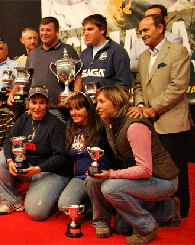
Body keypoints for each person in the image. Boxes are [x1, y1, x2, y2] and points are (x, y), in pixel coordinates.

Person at [86, 85, 180, 244]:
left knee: (110, 188)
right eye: (97, 102)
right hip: (142, 180)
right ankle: (102, 222)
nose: (97, 106)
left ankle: (149, 226)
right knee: (93, 181)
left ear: (115, 102)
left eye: (102, 101)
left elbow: (145, 169)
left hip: (162, 180)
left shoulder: (135, 126)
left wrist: (111, 174)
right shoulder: (112, 123)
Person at [129, 14, 191, 218]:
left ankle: (179, 211)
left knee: (175, 169)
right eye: (140, 31)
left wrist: (154, 108)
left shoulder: (178, 51)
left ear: (160, 28)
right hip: (148, 121)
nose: (142, 34)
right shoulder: (144, 56)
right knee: (155, 169)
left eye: (146, 30)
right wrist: (139, 106)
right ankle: (161, 208)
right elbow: (138, 85)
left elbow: (178, 87)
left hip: (171, 121)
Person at [0, 86, 73, 220]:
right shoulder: (25, 117)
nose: (37, 107)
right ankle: (12, 202)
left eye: (42, 103)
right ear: (28, 103)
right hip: (30, 168)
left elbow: (62, 157)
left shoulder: (56, 124)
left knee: (36, 213)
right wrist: (10, 161)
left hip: (52, 173)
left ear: (47, 104)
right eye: (34, 102)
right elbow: (9, 141)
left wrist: (37, 169)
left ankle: (52, 193)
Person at [10, 17, 82, 122]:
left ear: (57, 31)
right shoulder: (33, 53)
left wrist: (76, 96)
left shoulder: (68, 50)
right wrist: (14, 92)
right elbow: (25, 78)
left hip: (59, 109)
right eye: (42, 30)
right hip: (36, 109)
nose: (44, 33)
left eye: (48, 30)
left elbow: (78, 76)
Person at [57, 92, 116, 210]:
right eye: (71, 109)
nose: (74, 113)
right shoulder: (68, 127)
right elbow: (51, 124)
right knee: (64, 206)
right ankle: (99, 206)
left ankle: (103, 204)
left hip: (101, 176)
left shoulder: (101, 126)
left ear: (89, 110)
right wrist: (31, 114)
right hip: (80, 178)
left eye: (78, 108)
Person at [80, 14, 131, 89]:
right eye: (84, 30)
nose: (86, 34)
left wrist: (108, 99)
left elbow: (124, 84)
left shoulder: (117, 51)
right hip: (87, 100)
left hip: (108, 100)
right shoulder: (84, 53)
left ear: (102, 30)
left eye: (90, 29)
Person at [129, 4, 183, 73]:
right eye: (147, 17)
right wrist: (155, 60)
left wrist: (142, 62)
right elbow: (129, 65)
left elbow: (169, 63)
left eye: (154, 16)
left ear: (165, 19)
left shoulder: (174, 39)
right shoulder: (138, 42)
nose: (149, 19)